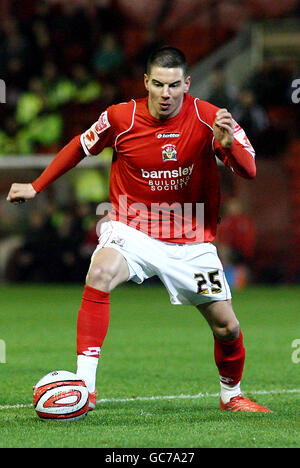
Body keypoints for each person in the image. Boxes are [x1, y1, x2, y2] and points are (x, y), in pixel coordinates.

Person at [7, 46, 271, 413]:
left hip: (190, 240)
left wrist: (227, 149)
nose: (166, 94)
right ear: (146, 82)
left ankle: (232, 396)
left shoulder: (211, 117)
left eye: (175, 85)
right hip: (132, 229)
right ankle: (86, 387)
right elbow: (79, 147)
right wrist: (36, 186)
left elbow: (250, 170)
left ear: (187, 83)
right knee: (99, 273)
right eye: (159, 85)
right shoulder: (120, 118)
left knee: (227, 327)